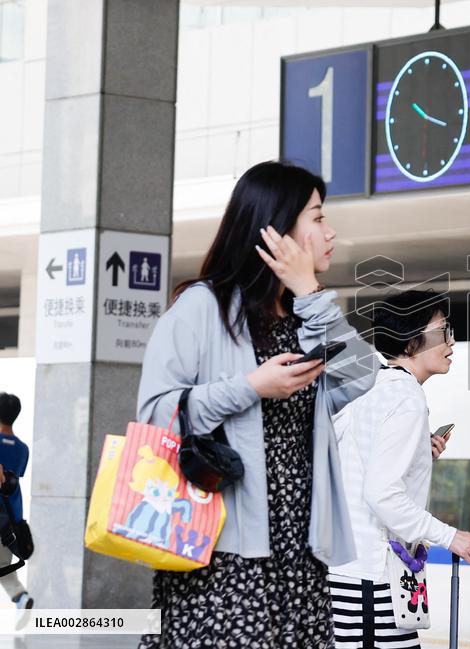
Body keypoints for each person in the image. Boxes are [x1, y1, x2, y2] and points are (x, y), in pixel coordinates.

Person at [136, 161, 377, 648]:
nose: (330, 232)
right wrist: (250, 387)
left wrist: (310, 290)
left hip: (298, 553)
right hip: (221, 550)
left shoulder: (305, 315)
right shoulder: (203, 307)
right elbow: (155, 414)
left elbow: (362, 374)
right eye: (317, 217)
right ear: (276, 229)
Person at [329, 289, 470, 649]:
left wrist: (418, 453)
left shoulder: (369, 387)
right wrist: (454, 538)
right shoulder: (406, 399)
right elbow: (381, 494)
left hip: (346, 574)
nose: (451, 341)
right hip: (372, 581)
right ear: (411, 338)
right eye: (443, 331)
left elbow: (352, 462)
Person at [0, 392, 31, 610]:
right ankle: (20, 597)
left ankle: (20, 597)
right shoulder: (22, 449)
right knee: (2, 564)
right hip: (10, 518)